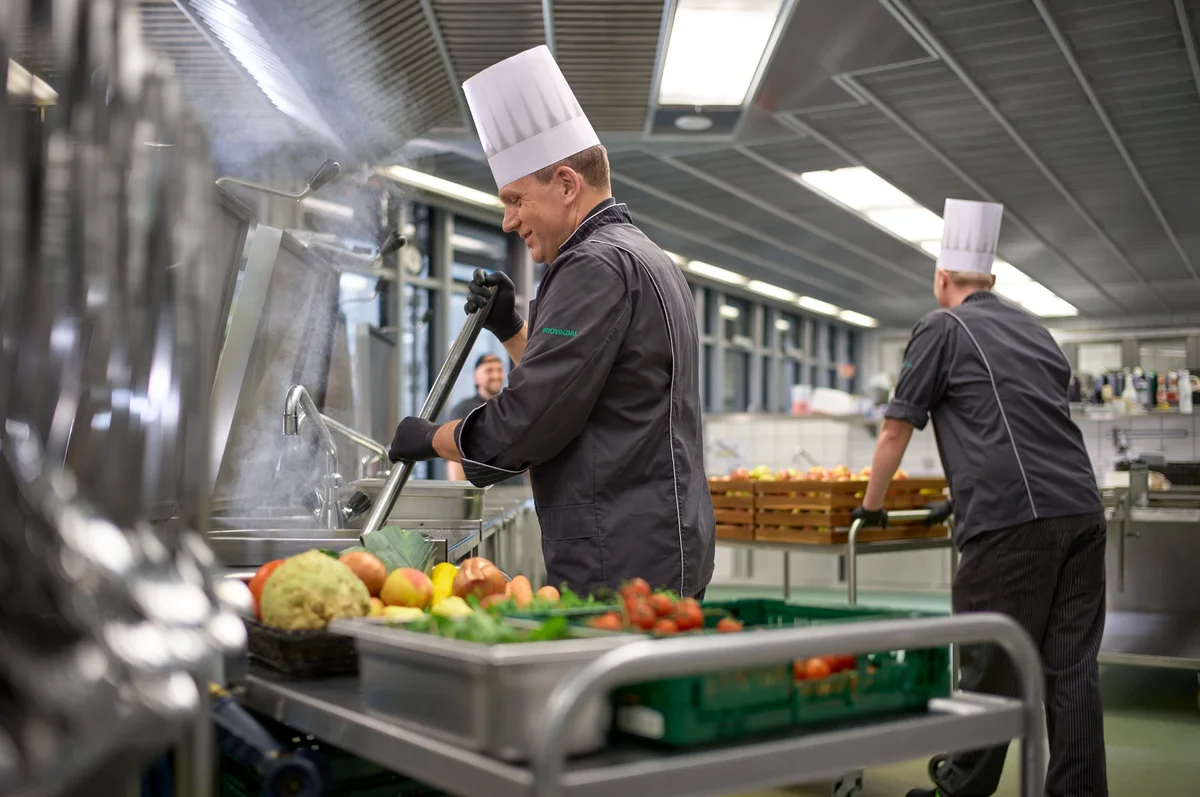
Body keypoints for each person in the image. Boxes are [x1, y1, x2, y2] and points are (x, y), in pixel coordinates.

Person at [387, 45, 715, 598]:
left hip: (620, 554)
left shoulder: (590, 265)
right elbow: (587, 388)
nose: (509, 220)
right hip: (659, 540)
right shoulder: (644, 256)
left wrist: (431, 439)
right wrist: (513, 327)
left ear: (566, 185)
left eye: (515, 199)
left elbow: (529, 420)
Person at [852, 199, 1108, 797]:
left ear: (942, 279)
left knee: (988, 666)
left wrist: (871, 504)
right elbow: (1012, 426)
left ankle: (960, 791)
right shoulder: (1037, 330)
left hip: (1014, 522)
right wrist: (954, 496)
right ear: (991, 279)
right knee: (1070, 671)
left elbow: (896, 427)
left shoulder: (942, 326)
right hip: (1080, 511)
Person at [444, 354, 524, 486]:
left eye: (499, 370)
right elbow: (455, 454)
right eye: (489, 371)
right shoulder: (464, 409)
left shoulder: (512, 407)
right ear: (476, 377)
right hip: (483, 494)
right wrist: (459, 494)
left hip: (514, 493)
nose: (496, 376)